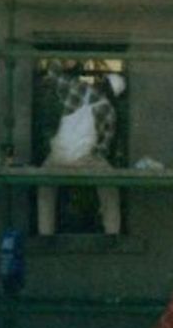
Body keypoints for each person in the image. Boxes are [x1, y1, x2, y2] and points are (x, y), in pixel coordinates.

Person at [37, 69, 124, 236]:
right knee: (110, 186)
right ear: (114, 95)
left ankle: (45, 234)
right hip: (86, 160)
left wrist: (63, 68)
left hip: (58, 158)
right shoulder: (110, 112)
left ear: (102, 82)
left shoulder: (79, 88)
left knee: (45, 187)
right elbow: (103, 147)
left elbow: (53, 74)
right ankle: (112, 234)